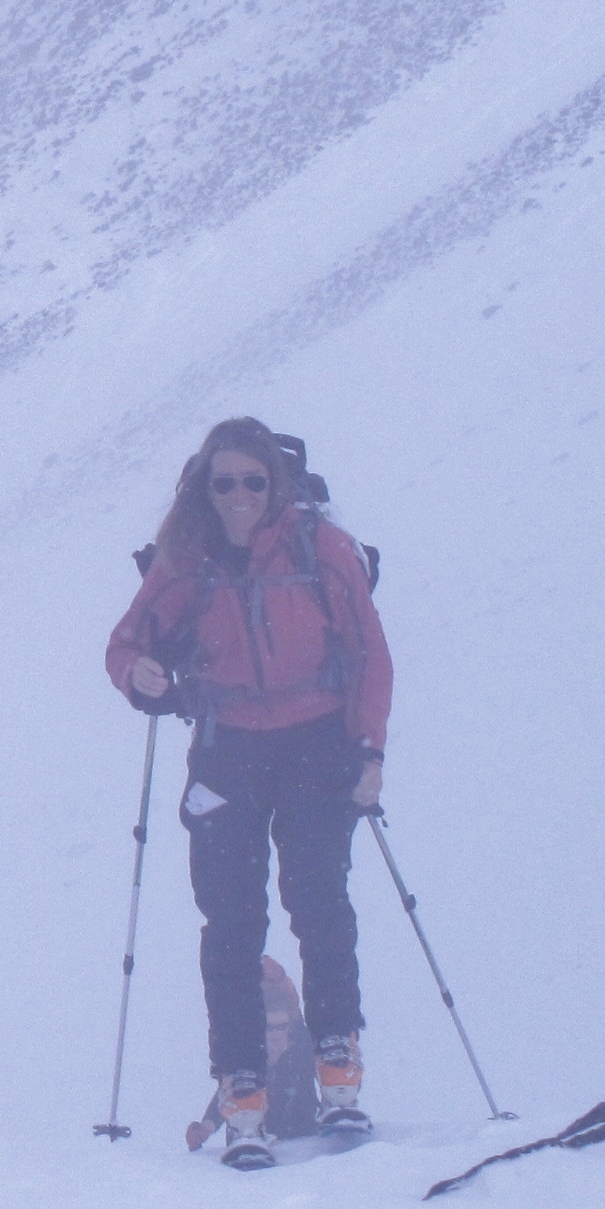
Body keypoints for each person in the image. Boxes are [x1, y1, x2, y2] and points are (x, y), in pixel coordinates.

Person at [104, 416, 391, 1168]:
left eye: (252, 482)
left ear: (277, 484)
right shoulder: (185, 562)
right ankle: (249, 1097)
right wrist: (137, 672)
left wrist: (370, 751)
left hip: (313, 748)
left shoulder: (321, 551)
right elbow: (126, 642)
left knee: (318, 905)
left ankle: (334, 1081)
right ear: (204, 486)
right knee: (233, 924)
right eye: (223, 482)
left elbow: (369, 656)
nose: (238, 496)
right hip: (231, 748)